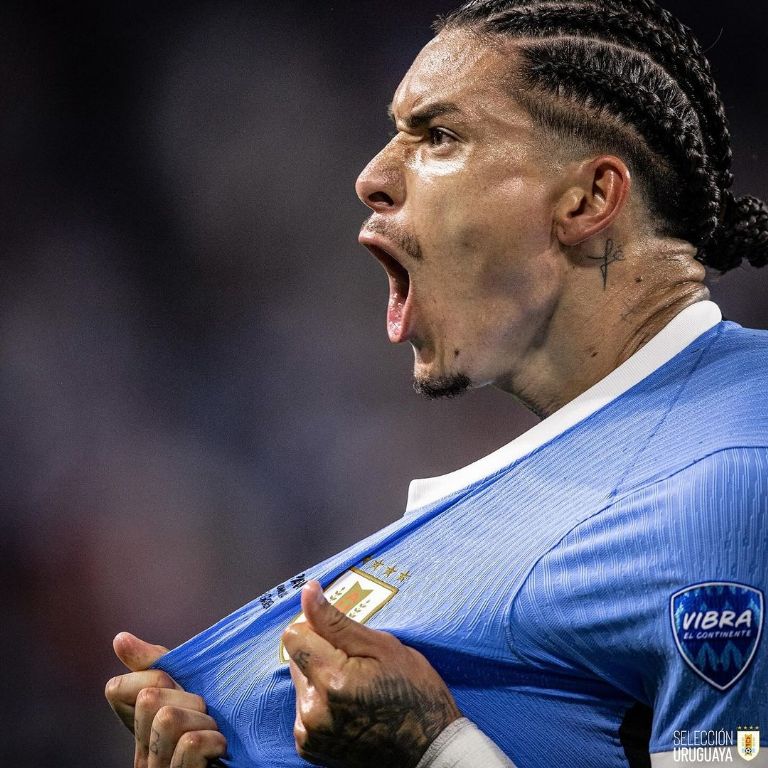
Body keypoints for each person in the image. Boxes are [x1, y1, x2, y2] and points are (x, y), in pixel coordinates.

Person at [105, 1, 768, 766]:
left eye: (439, 136)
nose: (372, 177)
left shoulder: (732, 481)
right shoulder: (600, 471)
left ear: (588, 199)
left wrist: (430, 747)